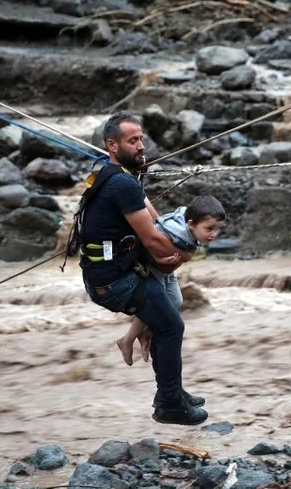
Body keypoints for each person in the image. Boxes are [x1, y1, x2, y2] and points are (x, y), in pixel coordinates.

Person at [78, 112, 208, 426]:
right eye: (132, 141)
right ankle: (169, 406)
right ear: (112, 145)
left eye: (141, 140)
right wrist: (185, 254)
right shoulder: (121, 183)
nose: (140, 146)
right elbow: (151, 237)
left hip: (114, 273)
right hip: (112, 282)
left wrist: (168, 248)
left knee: (167, 313)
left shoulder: (119, 176)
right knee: (171, 326)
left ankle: (171, 393)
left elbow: (153, 217)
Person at [116, 195, 226, 367]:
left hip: (166, 272)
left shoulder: (189, 224)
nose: (214, 234)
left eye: (217, 229)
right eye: (209, 229)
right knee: (160, 306)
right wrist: (157, 259)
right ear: (191, 224)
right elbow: (148, 238)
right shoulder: (176, 231)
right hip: (153, 270)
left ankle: (146, 332)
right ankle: (127, 339)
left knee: (175, 301)